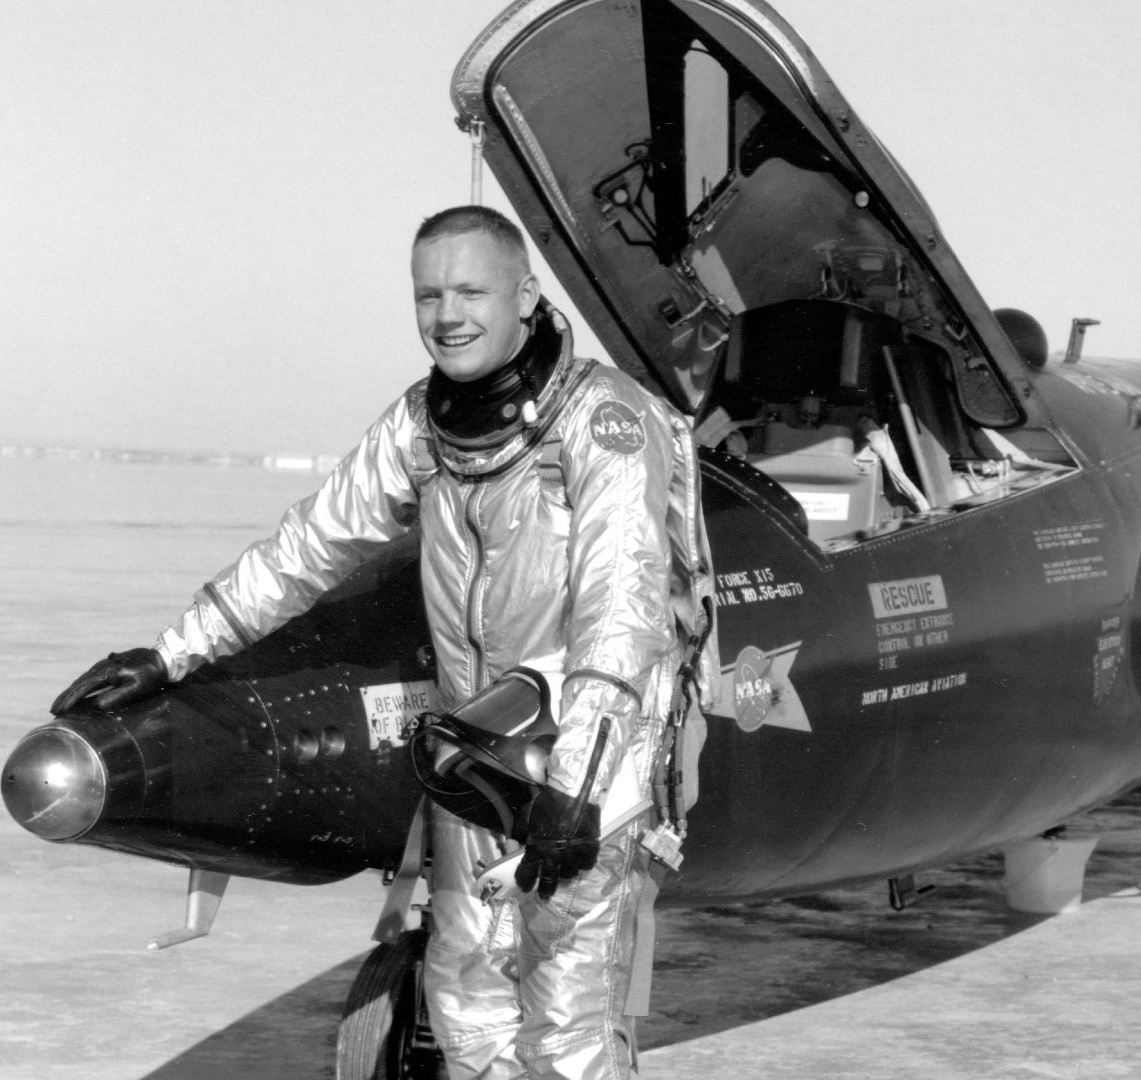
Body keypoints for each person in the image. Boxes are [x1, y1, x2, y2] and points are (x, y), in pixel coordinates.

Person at [50, 205, 711, 1079]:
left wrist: (577, 791)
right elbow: (307, 547)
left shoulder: (601, 423)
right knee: (468, 1008)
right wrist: (173, 652)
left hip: (589, 766)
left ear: (525, 294)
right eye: (428, 294)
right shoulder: (424, 424)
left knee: (567, 1034)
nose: (449, 315)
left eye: (472, 290)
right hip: (477, 760)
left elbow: (620, 617)